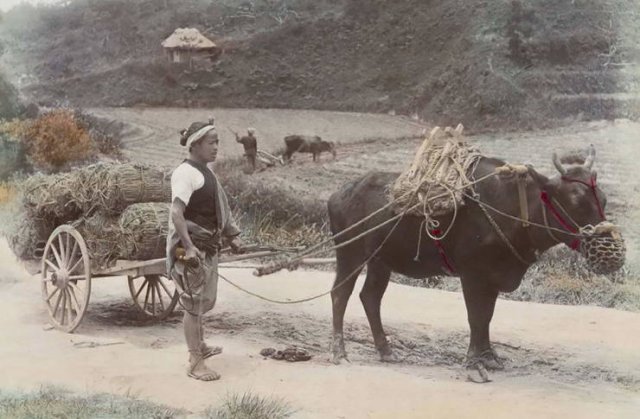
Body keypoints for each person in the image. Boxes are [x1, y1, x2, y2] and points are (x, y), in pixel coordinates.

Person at [166, 118, 246, 381]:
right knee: (192, 304)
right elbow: (176, 214)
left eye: (217, 142)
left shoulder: (207, 173)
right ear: (195, 144)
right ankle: (195, 362)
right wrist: (188, 247)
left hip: (208, 246)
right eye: (212, 143)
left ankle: (200, 346)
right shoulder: (185, 173)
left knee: (201, 302)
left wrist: (232, 236)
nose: (216, 148)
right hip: (192, 250)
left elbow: (220, 208)